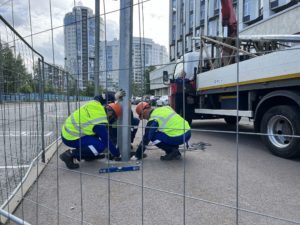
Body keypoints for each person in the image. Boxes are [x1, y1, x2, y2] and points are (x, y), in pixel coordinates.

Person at [60, 98, 122, 169]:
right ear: (110, 113)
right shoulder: (99, 122)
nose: (112, 119)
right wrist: (116, 154)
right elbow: (107, 141)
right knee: (100, 146)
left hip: (67, 131)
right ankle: (69, 155)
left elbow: (99, 97)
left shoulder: (96, 104)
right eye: (114, 117)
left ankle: (89, 156)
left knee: (96, 138)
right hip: (70, 137)